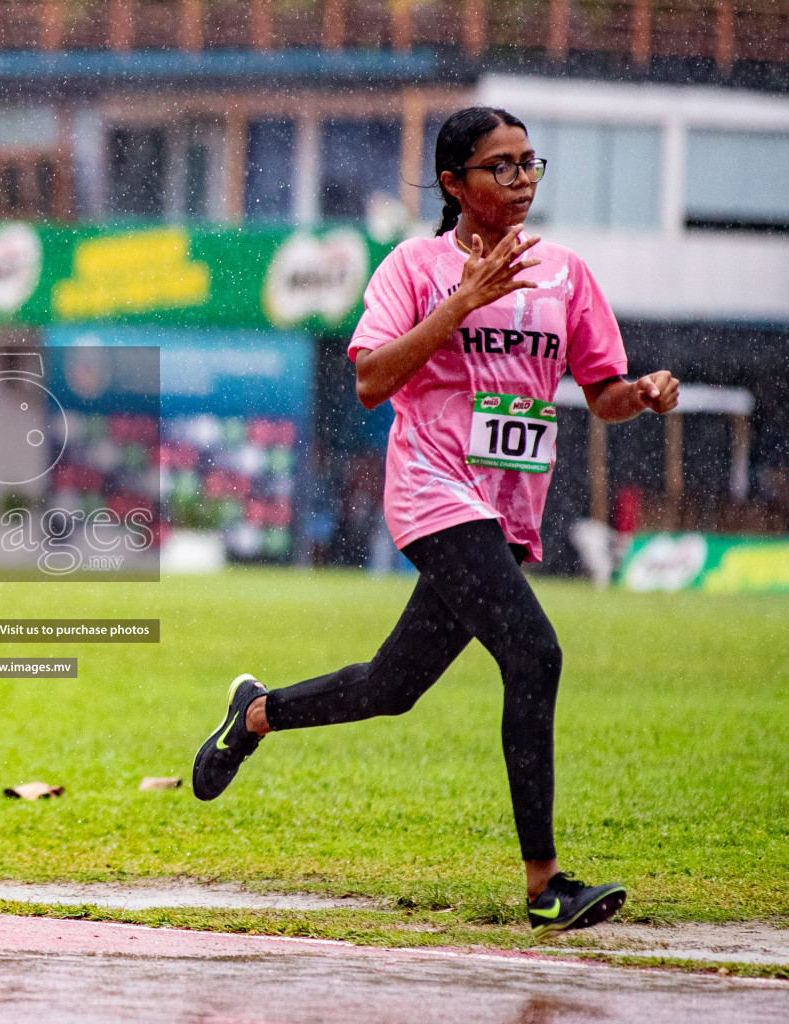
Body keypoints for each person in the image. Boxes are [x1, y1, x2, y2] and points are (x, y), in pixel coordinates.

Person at [192, 107, 679, 939]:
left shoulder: (565, 275)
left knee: (393, 687)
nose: (522, 180)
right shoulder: (412, 268)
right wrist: (462, 302)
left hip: (506, 509)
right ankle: (546, 885)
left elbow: (600, 392)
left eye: (531, 163)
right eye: (501, 166)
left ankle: (257, 714)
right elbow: (373, 380)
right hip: (433, 491)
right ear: (454, 184)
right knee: (535, 652)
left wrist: (640, 395)